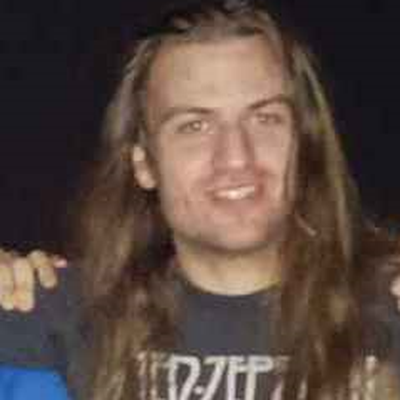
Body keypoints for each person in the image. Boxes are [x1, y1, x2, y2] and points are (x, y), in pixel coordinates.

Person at [1, 0, 400, 399]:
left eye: (265, 118)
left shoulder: (389, 311)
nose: (236, 157)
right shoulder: (50, 322)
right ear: (144, 163)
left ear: (307, 144)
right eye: (194, 126)